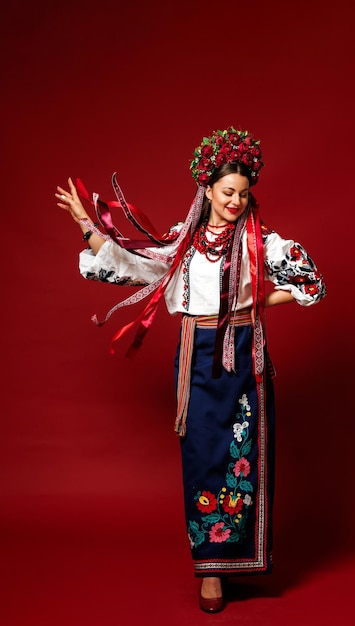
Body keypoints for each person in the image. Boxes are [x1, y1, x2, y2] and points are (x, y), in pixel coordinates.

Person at [56, 127, 326, 613]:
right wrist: (85, 225)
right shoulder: (184, 244)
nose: (235, 202)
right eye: (227, 192)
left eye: (243, 194)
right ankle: (210, 570)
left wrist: (257, 301)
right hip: (198, 353)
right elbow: (133, 263)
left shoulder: (262, 243)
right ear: (207, 189)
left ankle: (241, 558)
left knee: (243, 457)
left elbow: (312, 283)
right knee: (202, 458)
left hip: (244, 352)